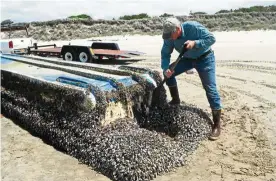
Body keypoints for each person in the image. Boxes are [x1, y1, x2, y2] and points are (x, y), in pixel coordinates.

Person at [161, 17, 222, 140]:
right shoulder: (169, 37)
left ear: (178, 29)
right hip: (187, 60)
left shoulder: (193, 27)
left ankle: (216, 124)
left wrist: (195, 43)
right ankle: (175, 100)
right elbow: (165, 53)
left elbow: (211, 38)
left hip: (205, 59)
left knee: (210, 88)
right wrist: (166, 68)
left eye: (171, 35)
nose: (170, 38)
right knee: (168, 74)